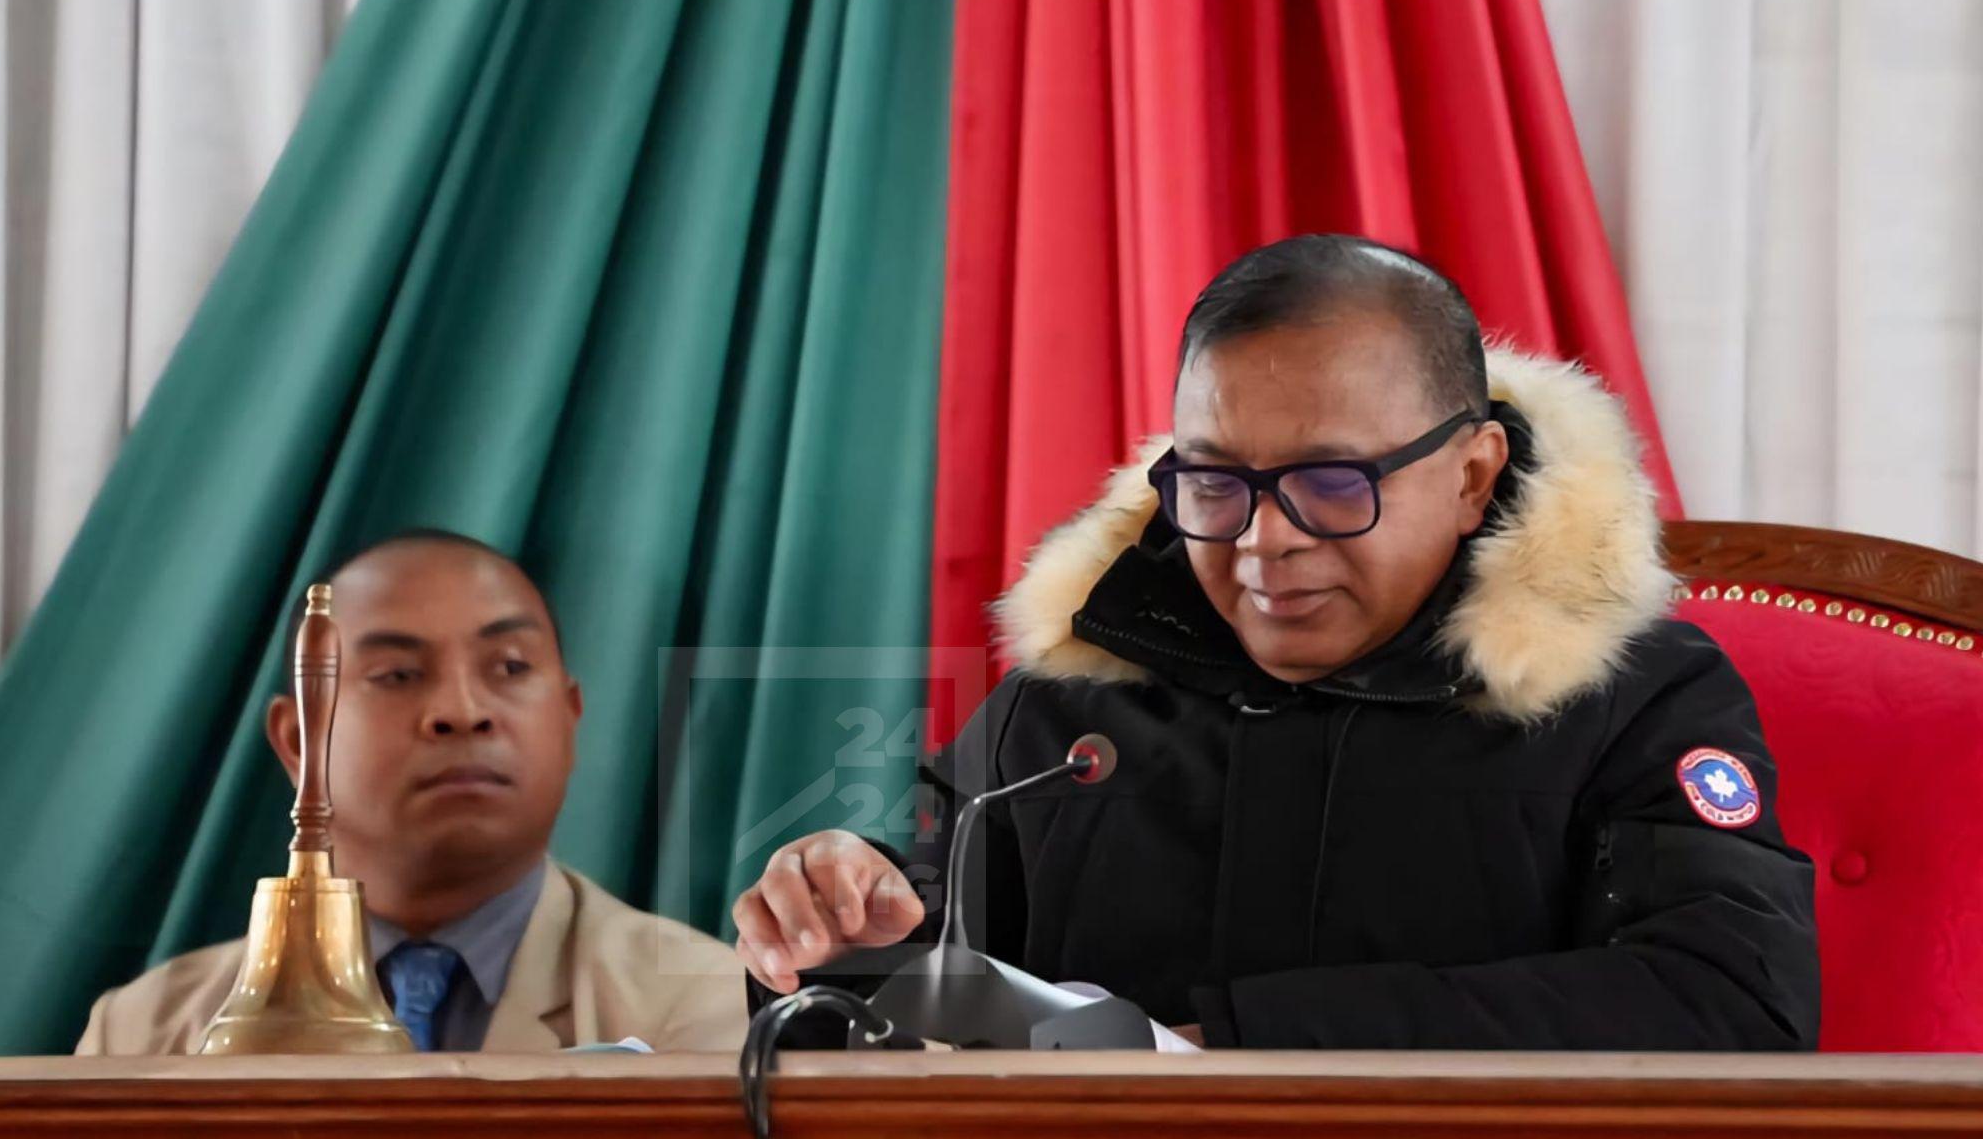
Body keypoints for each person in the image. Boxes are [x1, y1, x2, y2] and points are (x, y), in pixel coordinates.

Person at [733, 234, 1820, 1049]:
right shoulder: (1073, 694)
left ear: (1470, 473)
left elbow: (1732, 999)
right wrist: (834, 924)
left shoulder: (1635, 698)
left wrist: (1237, 1052)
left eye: (1332, 483)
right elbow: (904, 978)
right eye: (1214, 483)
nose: (1262, 543)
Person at [77, 531, 746, 1054]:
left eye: (510, 667)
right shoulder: (145, 1032)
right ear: (298, 739)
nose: (461, 711)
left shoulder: (701, 1007)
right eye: (397, 674)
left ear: (570, 720)